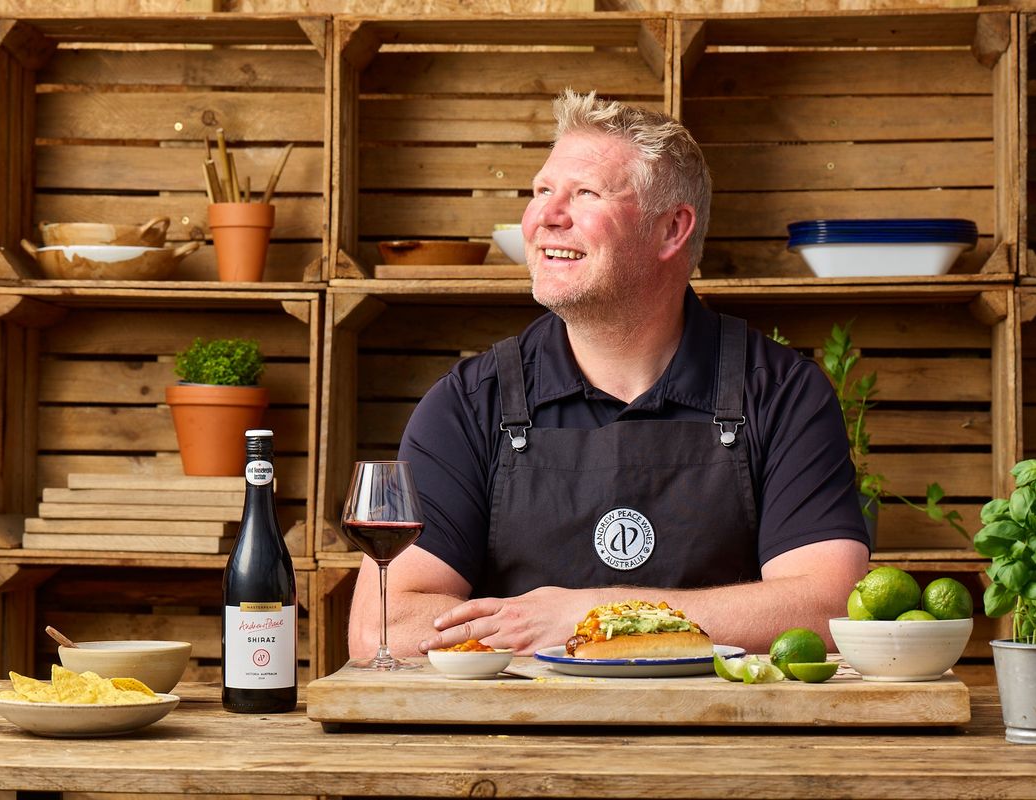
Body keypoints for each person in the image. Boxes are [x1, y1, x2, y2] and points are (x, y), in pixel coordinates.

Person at [348, 89, 869, 658]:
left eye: (584, 193)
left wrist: (593, 618)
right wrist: (545, 625)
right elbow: (385, 625)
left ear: (672, 229)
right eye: (542, 190)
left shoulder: (782, 392)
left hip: (722, 735)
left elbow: (828, 608)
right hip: (520, 740)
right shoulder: (470, 404)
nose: (545, 216)